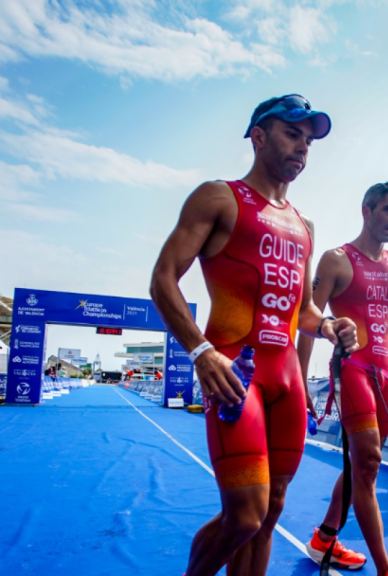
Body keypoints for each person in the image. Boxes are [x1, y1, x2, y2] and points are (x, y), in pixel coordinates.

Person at [150, 94, 357, 576]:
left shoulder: (304, 225)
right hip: (235, 374)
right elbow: (163, 278)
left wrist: (327, 326)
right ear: (258, 136)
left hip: (286, 379)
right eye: (291, 133)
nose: (302, 148)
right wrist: (200, 352)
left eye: (309, 140)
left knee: (272, 511)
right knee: (244, 515)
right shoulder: (218, 197)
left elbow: (302, 308)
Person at [297, 182, 388, 575]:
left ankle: (324, 539)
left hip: (384, 375)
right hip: (352, 371)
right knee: (368, 463)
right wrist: (299, 378)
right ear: (366, 210)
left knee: (363, 465)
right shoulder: (336, 259)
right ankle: (386, 569)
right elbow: (307, 318)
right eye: (387, 210)